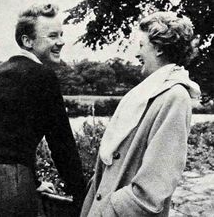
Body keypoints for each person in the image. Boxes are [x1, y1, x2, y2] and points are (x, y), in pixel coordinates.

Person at [80, 11, 201, 217]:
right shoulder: (146, 92)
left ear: (159, 48)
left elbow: (158, 180)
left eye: (142, 45)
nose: (137, 54)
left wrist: (111, 209)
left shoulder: (175, 96)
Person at [0, 4, 85, 217]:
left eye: (61, 35)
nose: (61, 42)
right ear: (28, 41)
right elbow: (62, 144)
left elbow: (0, 139)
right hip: (7, 186)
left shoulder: (3, 71)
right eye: (52, 36)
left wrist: (34, 181)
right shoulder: (41, 76)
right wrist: (83, 194)